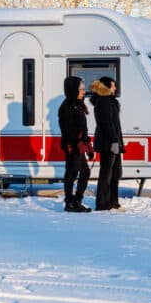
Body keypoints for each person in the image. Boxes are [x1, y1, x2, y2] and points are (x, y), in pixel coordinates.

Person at [58, 76, 93, 213]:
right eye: (81, 89)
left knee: (84, 172)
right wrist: (78, 144)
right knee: (72, 174)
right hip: (72, 147)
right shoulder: (66, 107)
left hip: (79, 146)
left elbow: (82, 129)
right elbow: (68, 130)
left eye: (84, 89)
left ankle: (76, 200)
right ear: (73, 90)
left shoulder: (78, 105)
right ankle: (70, 202)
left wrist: (88, 146)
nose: (84, 91)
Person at [90, 76, 123, 211]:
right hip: (107, 143)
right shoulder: (104, 102)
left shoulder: (110, 101)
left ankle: (113, 201)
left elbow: (114, 123)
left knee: (115, 173)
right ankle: (102, 203)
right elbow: (107, 123)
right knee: (106, 173)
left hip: (113, 141)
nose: (115, 88)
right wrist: (114, 141)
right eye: (113, 85)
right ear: (107, 87)